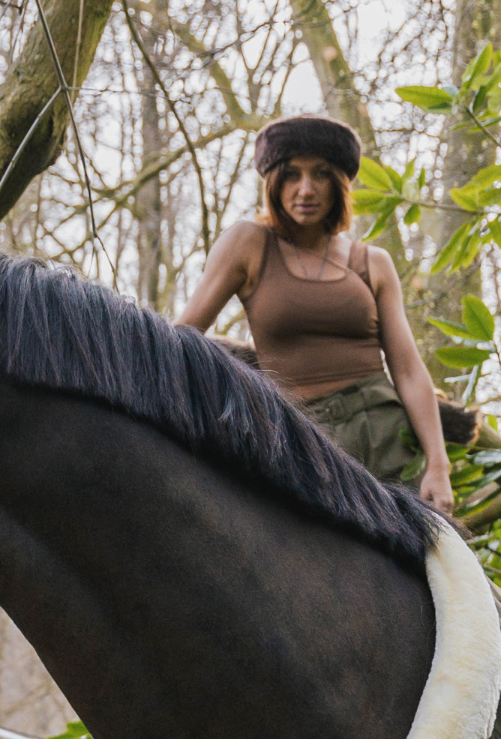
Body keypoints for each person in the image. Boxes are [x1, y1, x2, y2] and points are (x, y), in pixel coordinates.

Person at [176, 114, 454, 513]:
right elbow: (184, 335)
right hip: (297, 439)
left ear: (340, 186)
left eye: (321, 175)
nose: (306, 190)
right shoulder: (248, 244)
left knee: (406, 565)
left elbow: (408, 371)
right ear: (272, 183)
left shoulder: (371, 262)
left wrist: (438, 466)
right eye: (292, 175)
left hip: (382, 436)